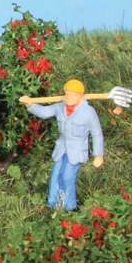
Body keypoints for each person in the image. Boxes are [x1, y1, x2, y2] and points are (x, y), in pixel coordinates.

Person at [19, 78, 104, 211]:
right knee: (56, 175)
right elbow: (45, 112)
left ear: (80, 96)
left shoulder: (88, 112)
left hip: (76, 151)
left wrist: (98, 155)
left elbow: (97, 133)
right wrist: (30, 104)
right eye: (67, 93)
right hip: (61, 149)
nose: (68, 97)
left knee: (67, 177)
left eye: (72, 94)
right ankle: (53, 204)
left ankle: (69, 206)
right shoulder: (60, 107)